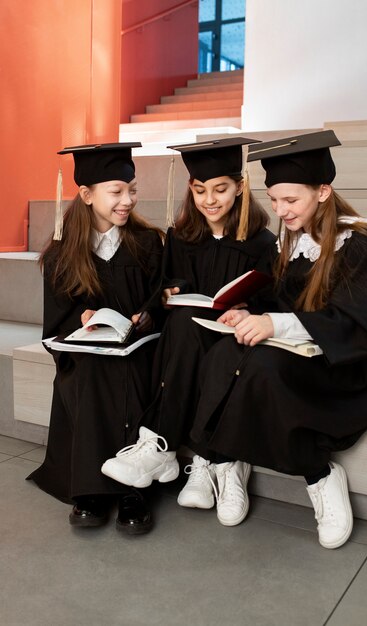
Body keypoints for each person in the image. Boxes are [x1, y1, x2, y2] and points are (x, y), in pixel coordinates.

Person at [184, 130, 367, 549]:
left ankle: (319, 474)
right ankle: (227, 461)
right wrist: (248, 313)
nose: (280, 211)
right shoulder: (290, 242)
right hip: (300, 351)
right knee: (225, 350)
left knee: (262, 367)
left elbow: (352, 326)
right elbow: (277, 300)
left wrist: (274, 325)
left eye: (291, 200)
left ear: (323, 191)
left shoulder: (357, 244)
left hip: (347, 364)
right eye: (274, 199)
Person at [101, 137, 277, 526]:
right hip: (190, 335)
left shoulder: (264, 241)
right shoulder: (180, 238)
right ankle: (172, 449)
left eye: (220, 189)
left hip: (236, 338)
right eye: (199, 190)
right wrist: (165, 296)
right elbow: (167, 290)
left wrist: (248, 308)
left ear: (240, 187)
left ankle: (212, 458)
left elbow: (275, 302)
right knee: (180, 323)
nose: (209, 200)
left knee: (214, 346)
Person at [28, 142, 164, 535]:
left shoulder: (147, 244)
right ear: (86, 195)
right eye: (117, 192)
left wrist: (147, 314)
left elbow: (159, 300)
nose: (128, 200)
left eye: (132, 190)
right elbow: (56, 325)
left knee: (130, 370)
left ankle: (130, 487)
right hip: (86, 356)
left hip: (138, 350)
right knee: (92, 370)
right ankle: (91, 488)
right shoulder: (61, 255)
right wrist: (81, 318)